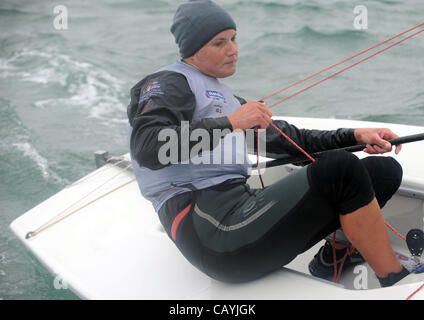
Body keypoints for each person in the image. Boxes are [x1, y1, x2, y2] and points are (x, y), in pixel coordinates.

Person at [127, 0, 409, 287]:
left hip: (240, 209)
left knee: (382, 172)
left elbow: (292, 143)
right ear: (192, 50)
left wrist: (356, 136)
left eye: (234, 38)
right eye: (219, 43)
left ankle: (333, 259)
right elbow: (149, 148)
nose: (233, 49)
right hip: (212, 237)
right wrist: (233, 122)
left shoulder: (219, 95)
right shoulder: (168, 84)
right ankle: (395, 280)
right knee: (340, 169)